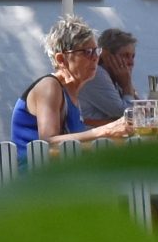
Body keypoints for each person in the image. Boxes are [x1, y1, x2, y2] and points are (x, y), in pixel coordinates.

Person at [10, 14, 135, 153]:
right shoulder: (49, 87)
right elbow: (48, 141)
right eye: (87, 52)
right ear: (61, 59)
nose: (95, 58)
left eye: (96, 51)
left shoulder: (73, 92)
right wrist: (106, 131)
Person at [77, 27, 139, 124]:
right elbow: (126, 114)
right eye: (125, 56)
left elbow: (142, 112)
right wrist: (127, 85)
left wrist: (127, 84)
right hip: (90, 136)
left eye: (133, 56)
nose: (131, 62)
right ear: (106, 55)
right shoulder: (96, 74)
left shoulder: (117, 78)